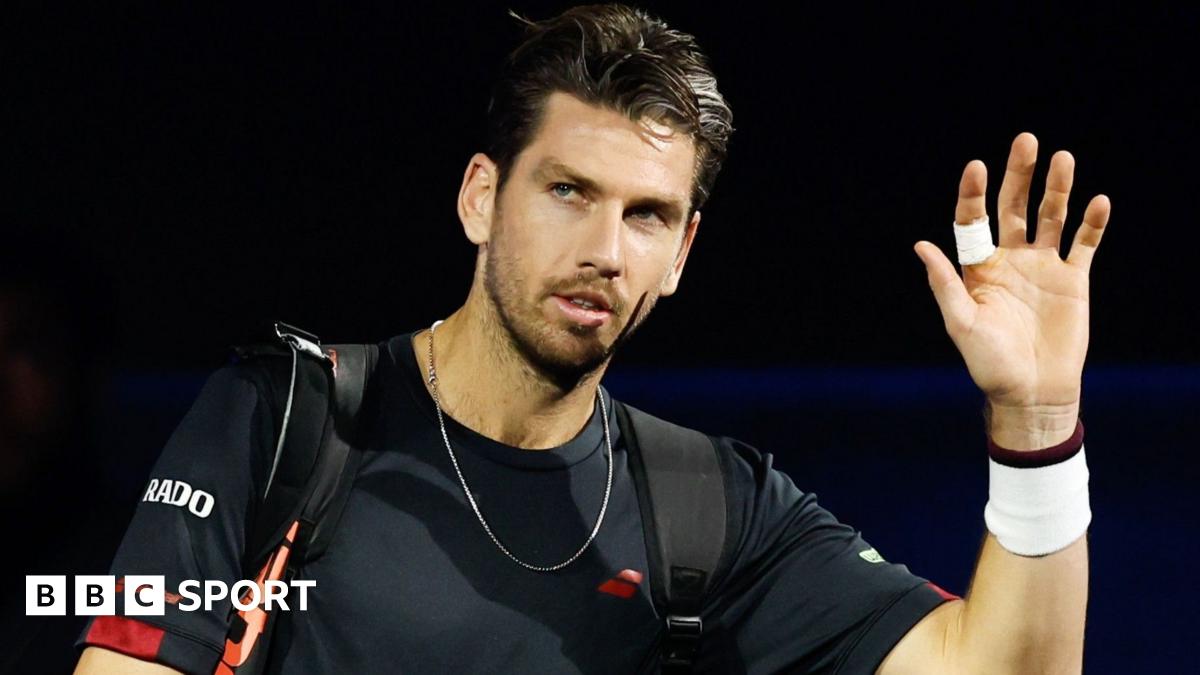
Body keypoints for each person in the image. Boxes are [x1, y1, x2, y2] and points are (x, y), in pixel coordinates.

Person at [74, 4, 1109, 673]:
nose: (606, 250)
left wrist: (1037, 418)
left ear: (683, 252)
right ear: (483, 197)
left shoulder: (713, 512)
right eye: (568, 192)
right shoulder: (283, 421)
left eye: (647, 215)